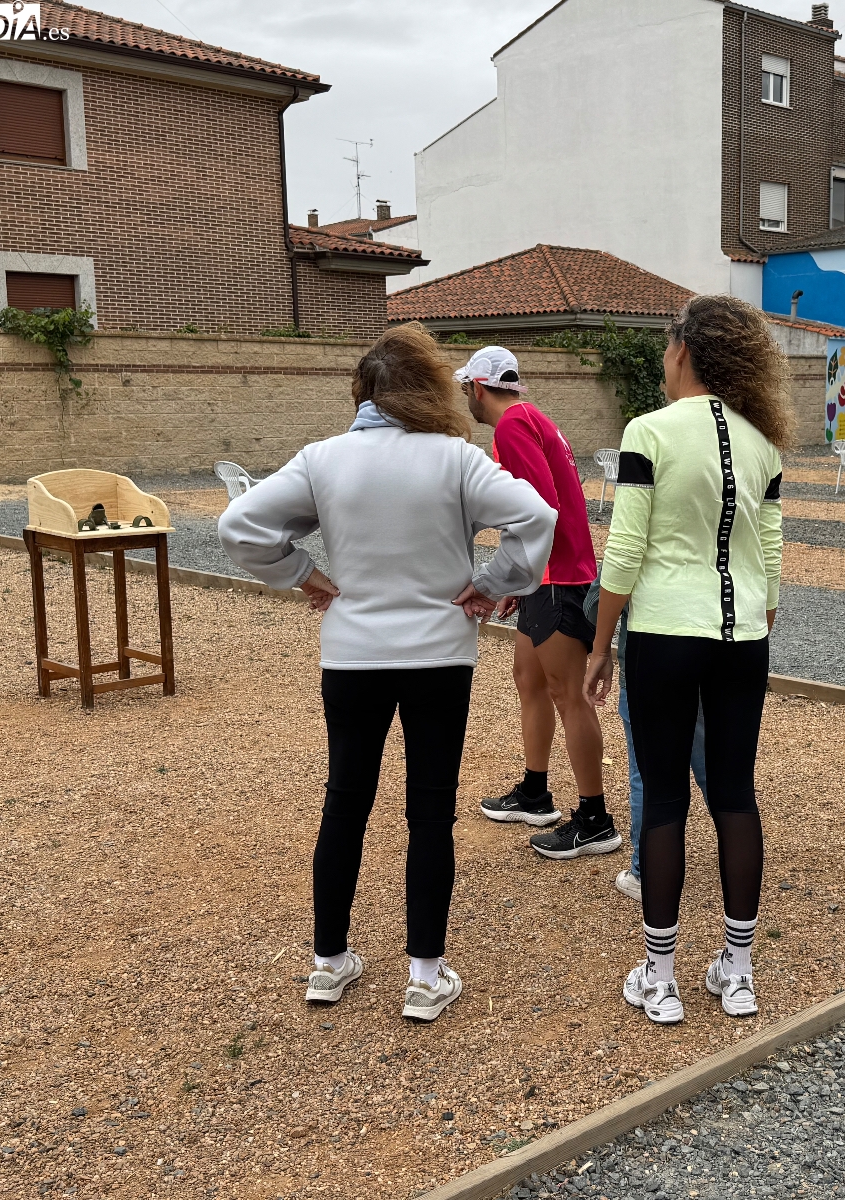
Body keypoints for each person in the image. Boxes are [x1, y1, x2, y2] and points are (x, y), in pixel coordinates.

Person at [218, 322, 555, 1022]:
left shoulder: (322, 458)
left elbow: (239, 526)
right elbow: (535, 516)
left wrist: (302, 573)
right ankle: (425, 976)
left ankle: (328, 963)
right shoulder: (455, 459)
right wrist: (494, 582)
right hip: (439, 653)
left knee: (345, 802)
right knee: (430, 811)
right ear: (429, 387)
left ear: (363, 391)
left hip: (353, 654)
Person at [585, 294, 788, 1025]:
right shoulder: (763, 444)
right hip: (743, 638)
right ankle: (738, 970)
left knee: (666, 797)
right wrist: (757, 621)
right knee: (735, 795)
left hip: (666, 632)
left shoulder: (649, 431)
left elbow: (626, 548)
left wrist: (602, 642)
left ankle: (661, 975)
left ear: (685, 351)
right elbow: (769, 553)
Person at [460, 346, 619, 860]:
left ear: (478, 388)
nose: (465, 398)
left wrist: (505, 579)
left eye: (466, 389)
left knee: (568, 694)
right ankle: (534, 793)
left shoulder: (511, 427)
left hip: (557, 576)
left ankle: (595, 820)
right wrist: (518, 581)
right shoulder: (532, 417)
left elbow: (538, 508)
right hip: (546, 575)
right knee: (529, 679)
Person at [582, 582, 707, 902]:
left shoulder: (637, 545)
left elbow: (597, 604)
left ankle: (647, 872)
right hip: (708, 661)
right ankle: (739, 855)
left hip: (647, 663)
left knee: (647, 775)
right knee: (717, 772)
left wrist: (601, 650)